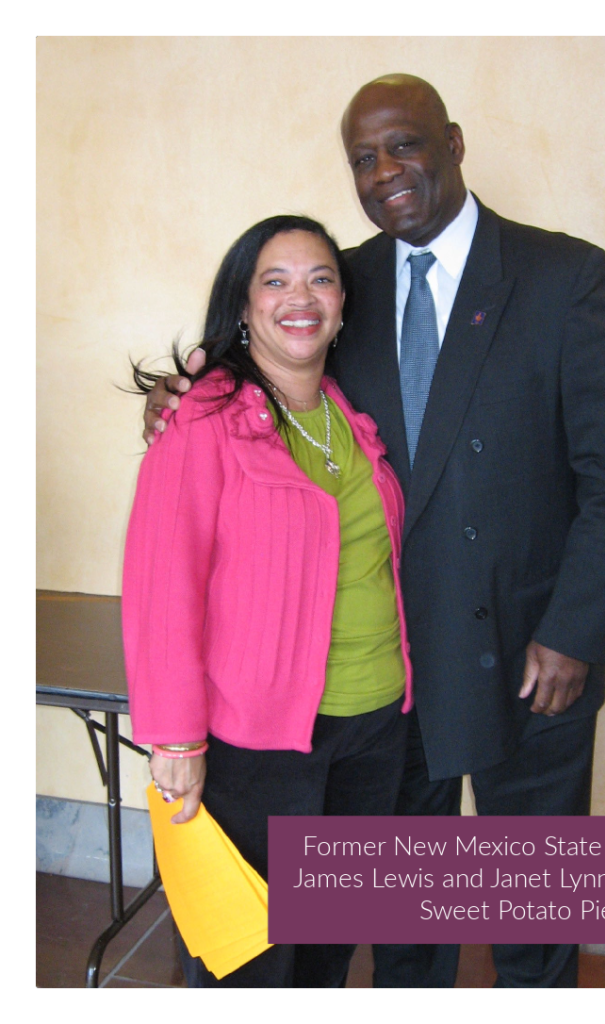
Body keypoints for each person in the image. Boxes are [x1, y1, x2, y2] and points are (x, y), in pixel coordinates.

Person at [143, 75, 605, 989]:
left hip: (532, 656)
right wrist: (182, 393)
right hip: (397, 679)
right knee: (400, 915)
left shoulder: (561, 275)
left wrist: (575, 629)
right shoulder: (346, 281)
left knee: (537, 909)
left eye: (404, 146)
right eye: (363, 159)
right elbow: (261, 367)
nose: (385, 173)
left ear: (453, 144)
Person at [124, 214, 413, 989]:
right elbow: (163, 589)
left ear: (344, 305)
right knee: (248, 959)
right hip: (258, 747)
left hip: (374, 729)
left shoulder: (350, 417)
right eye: (275, 280)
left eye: (321, 278)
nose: (301, 297)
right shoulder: (204, 420)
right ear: (243, 305)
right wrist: (175, 741)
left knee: (326, 951)